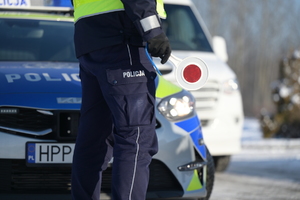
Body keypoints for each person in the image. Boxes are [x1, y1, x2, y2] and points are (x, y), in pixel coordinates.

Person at [70, 0, 171, 199]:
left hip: (90, 42)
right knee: (136, 138)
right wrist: (153, 31)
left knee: (93, 139)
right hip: (123, 39)